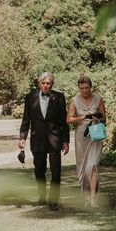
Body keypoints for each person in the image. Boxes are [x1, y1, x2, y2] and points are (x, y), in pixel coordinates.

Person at [18, 72, 69, 210]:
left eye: (48, 83)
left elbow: (64, 121)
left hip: (55, 139)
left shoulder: (59, 97)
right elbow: (26, 119)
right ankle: (42, 196)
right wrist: (22, 137)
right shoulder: (30, 98)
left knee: (56, 171)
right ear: (39, 84)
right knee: (39, 170)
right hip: (37, 139)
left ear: (52, 84)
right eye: (43, 83)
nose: (46, 86)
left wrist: (65, 141)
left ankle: (54, 201)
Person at [66, 75, 106, 208]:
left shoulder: (98, 99)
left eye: (87, 87)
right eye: (82, 88)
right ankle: (88, 196)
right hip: (81, 137)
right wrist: (83, 116)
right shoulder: (74, 101)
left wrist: (97, 118)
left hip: (95, 135)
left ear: (91, 87)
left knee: (93, 165)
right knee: (84, 167)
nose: (84, 90)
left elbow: (104, 118)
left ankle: (93, 199)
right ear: (79, 88)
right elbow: (69, 120)